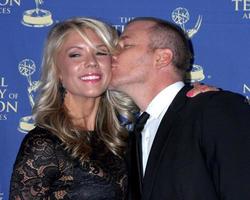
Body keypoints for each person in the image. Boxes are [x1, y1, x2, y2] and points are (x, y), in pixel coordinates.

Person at [110, 17, 250, 200]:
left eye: (125, 46)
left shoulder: (215, 108)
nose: (112, 55)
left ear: (162, 58)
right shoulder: (132, 139)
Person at [9, 17, 138, 200]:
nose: (91, 62)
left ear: (112, 64)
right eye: (76, 54)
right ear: (58, 71)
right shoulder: (44, 145)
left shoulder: (124, 141)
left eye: (101, 52)